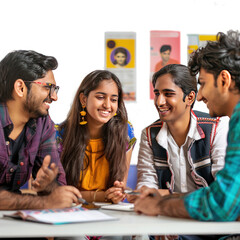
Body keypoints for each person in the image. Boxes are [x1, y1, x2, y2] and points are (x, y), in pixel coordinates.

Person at [134, 30, 240, 226]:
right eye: (156, 93)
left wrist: (161, 204)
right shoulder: (150, 134)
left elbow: (222, 204)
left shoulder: (226, 124)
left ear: (224, 80)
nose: (199, 97)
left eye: (203, 84)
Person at [0, 50, 82, 210]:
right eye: (48, 88)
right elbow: (49, 201)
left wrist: (48, 185)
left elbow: (57, 188)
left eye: (55, 89)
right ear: (20, 88)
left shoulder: (42, 124)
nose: (54, 97)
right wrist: (44, 202)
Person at [134, 64, 228, 201]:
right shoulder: (149, 134)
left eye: (168, 94)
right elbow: (147, 182)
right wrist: (143, 192)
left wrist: (169, 195)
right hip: (168, 215)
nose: (159, 102)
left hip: (208, 217)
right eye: (156, 94)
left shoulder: (217, 127)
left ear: (190, 98)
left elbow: (224, 189)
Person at [55, 70, 136, 204]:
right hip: (69, 210)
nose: (107, 105)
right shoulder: (59, 135)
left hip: (110, 212)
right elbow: (58, 194)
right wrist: (101, 196)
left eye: (114, 99)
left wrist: (117, 193)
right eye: (100, 97)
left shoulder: (125, 132)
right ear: (83, 99)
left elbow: (119, 187)